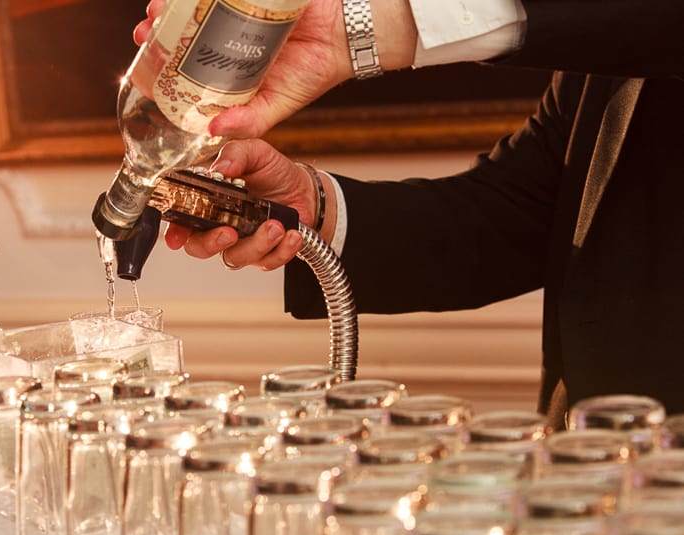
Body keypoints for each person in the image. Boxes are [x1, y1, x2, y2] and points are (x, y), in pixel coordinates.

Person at [134, 0, 684, 428]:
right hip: (598, 486)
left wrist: (367, 28)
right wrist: (314, 205)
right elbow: (514, 216)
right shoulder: (603, 65)